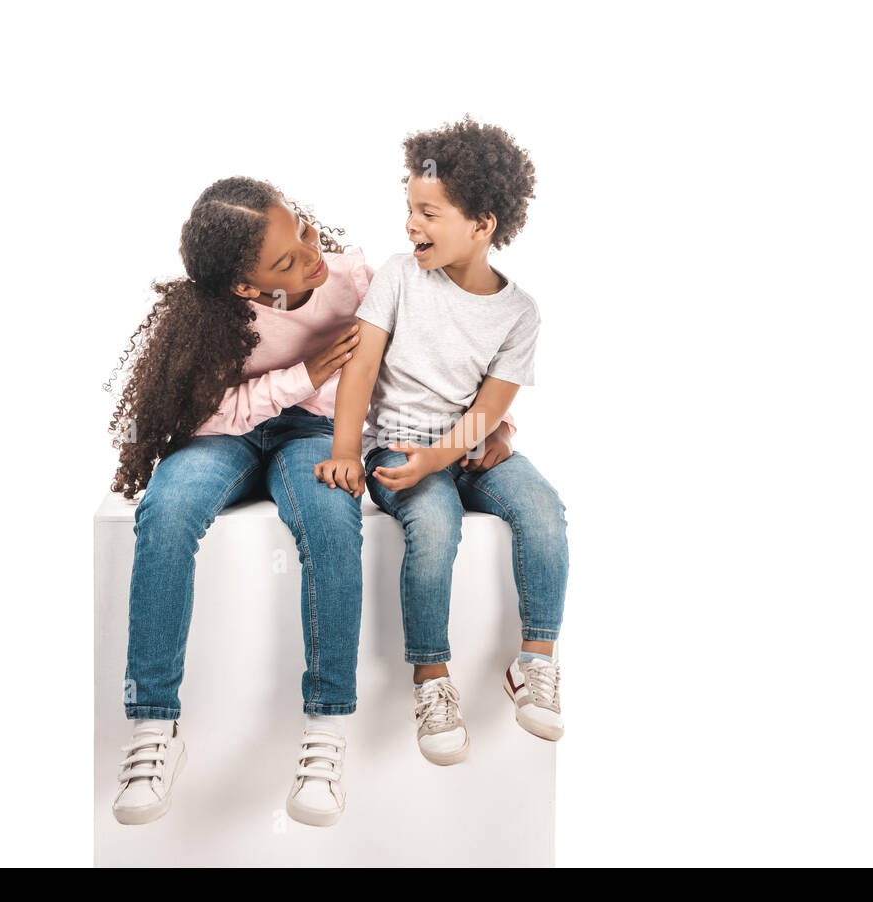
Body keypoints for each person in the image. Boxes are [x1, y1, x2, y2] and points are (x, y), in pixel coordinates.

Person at [105, 176, 369, 826]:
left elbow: (419, 362)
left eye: (304, 231)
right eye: (285, 261)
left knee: (332, 512)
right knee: (166, 510)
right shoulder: (210, 317)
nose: (311, 256)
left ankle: (327, 728)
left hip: (312, 431)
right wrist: (300, 377)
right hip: (223, 433)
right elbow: (201, 414)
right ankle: (153, 728)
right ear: (246, 287)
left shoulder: (355, 280)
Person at [316, 118, 569, 766]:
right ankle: (431, 678)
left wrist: (459, 450)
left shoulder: (520, 312)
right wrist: (348, 450)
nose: (411, 224)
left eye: (428, 211)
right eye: (408, 209)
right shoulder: (400, 277)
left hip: (470, 447)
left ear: (483, 223)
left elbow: (490, 405)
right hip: (401, 445)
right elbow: (362, 368)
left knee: (543, 509)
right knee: (434, 521)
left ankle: (534, 662)